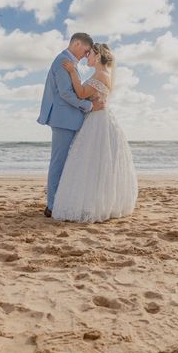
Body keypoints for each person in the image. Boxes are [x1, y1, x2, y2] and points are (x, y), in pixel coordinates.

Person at [51, 42, 138, 222]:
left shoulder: (101, 74)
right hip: (95, 118)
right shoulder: (99, 74)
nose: (86, 57)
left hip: (98, 121)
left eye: (89, 54)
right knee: (91, 164)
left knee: (93, 162)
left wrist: (72, 72)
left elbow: (82, 93)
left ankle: (92, 204)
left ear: (98, 56)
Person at [37, 32, 105, 218]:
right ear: (76, 44)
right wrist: (90, 106)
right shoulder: (62, 61)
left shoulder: (71, 64)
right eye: (85, 51)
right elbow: (66, 94)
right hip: (63, 119)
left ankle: (61, 202)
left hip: (71, 119)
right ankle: (51, 205)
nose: (85, 55)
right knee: (58, 163)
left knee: (69, 164)